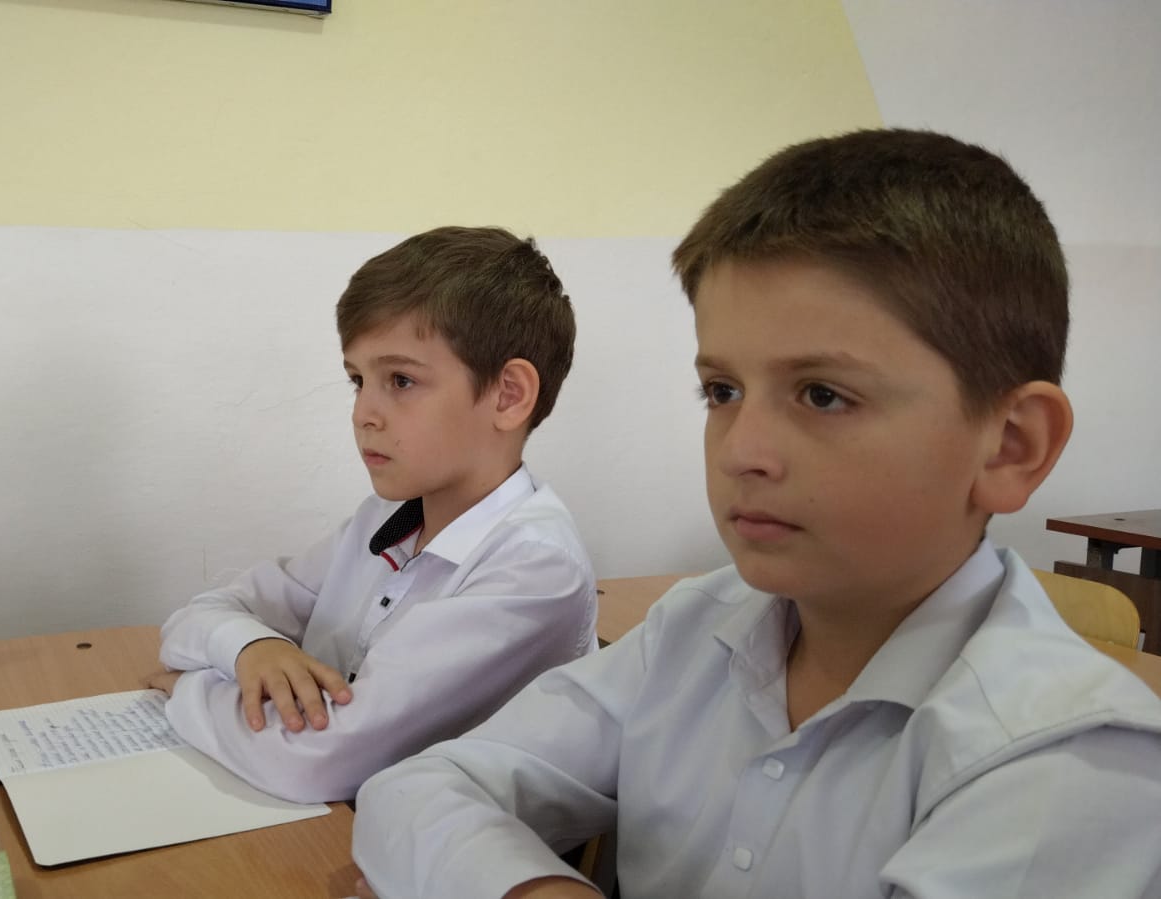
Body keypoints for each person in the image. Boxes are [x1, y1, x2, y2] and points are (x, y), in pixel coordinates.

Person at [352, 130, 1161, 898]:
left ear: (1009, 446)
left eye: (822, 394)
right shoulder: (693, 629)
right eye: (722, 390)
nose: (741, 450)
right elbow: (418, 787)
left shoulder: (1070, 765)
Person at [145, 226, 598, 804]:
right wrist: (248, 648)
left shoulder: (535, 569)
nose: (364, 413)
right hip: (330, 821)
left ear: (508, 395)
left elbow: (312, 762)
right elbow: (197, 617)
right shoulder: (384, 519)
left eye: (401, 380)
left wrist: (185, 688)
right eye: (358, 380)